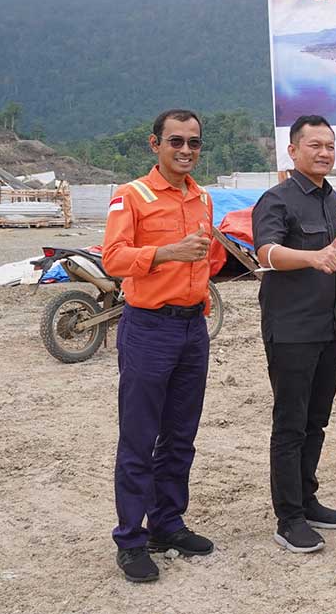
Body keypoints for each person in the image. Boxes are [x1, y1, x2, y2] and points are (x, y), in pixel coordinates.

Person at [102, 109, 217, 583]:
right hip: (149, 328)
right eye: (176, 141)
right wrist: (168, 253)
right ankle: (131, 539)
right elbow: (112, 259)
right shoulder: (131, 195)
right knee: (139, 436)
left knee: (180, 435)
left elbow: (205, 259)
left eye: (194, 142)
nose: (186, 150)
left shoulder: (203, 198)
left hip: (192, 329)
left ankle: (167, 524)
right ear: (156, 144)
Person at [252, 115, 336, 554]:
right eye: (314, 145)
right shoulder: (276, 200)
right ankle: (289, 518)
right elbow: (266, 252)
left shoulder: (333, 200)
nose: (324, 153)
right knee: (291, 423)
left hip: (328, 328)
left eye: (329, 146)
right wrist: (310, 257)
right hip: (292, 330)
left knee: (317, 420)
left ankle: (308, 499)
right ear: (293, 150)